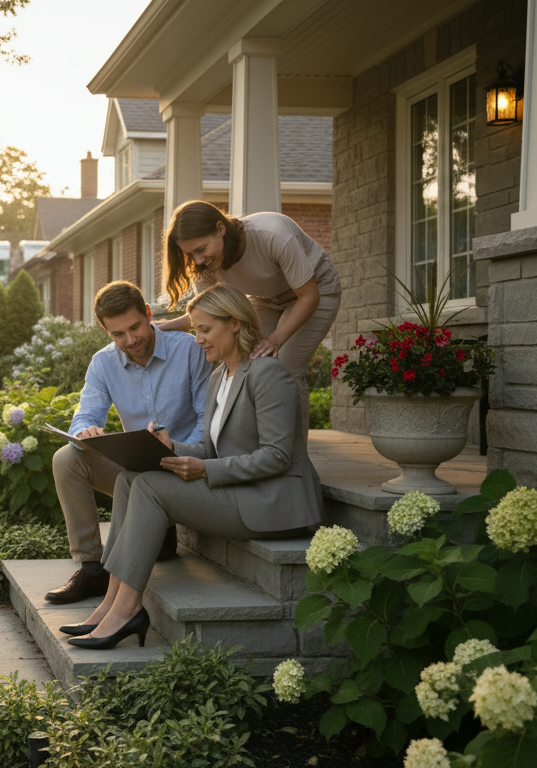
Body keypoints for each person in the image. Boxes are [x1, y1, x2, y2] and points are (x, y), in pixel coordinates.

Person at [64, 284, 323, 649]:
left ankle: (127, 609)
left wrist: (205, 471)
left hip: (271, 504)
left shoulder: (268, 374)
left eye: (204, 329)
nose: (197, 339)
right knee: (131, 478)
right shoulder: (220, 375)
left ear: (234, 324)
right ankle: (110, 602)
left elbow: (277, 456)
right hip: (238, 492)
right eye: (196, 330)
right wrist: (172, 447)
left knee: (150, 487)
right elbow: (209, 447)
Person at [43, 280, 210, 605]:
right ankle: (92, 569)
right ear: (106, 332)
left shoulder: (189, 349)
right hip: (137, 472)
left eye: (135, 327)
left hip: (185, 466)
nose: (130, 340)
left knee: (147, 489)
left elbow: (207, 420)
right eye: (118, 334)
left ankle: (159, 529)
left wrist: (180, 452)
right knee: (67, 458)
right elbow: (85, 414)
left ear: (148, 314)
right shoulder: (103, 363)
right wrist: (85, 431)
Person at [156, 201, 341, 440]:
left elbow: (309, 296)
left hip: (315, 291)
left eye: (201, 249)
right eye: (191, 254)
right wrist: (168, 325)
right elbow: (206, 312)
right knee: (244, 363)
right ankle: (255, 454)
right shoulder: (205, 265)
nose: (198, 259)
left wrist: (274, 340)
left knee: (283, 368)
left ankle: (294, 467)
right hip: (266, 299)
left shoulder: (272, 234)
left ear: (220, 228)